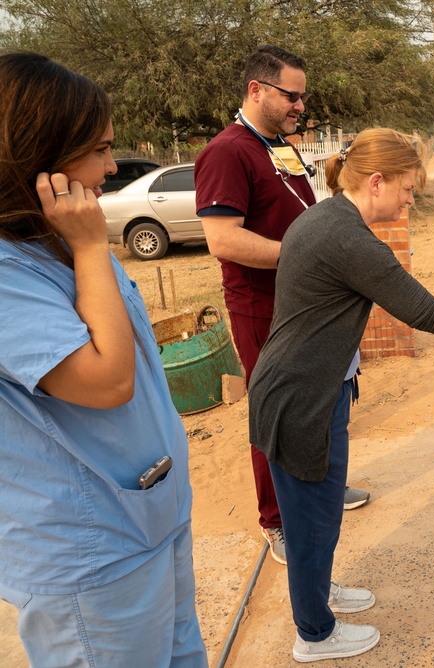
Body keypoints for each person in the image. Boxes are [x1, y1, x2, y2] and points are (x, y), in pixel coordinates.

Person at [247, 128, 434, 662]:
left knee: (319, 515)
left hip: (311, 389)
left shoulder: (326, 217)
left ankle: (318, 593)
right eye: (408, 189)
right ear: (377, 182)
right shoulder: (350, 239)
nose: (411, 200)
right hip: (300, 398)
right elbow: (431, 316)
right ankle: (314, 633)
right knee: (312, 520)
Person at [0, 52, 207, 666]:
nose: (113, 168)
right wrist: (92, 245)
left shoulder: (60, 243)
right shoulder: (20, 269)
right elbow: (108, 380)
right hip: (92, 554)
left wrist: (84, 246)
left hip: (149, 517)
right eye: (97, 150)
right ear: (39, 157)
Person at [194, 45, 368, 567]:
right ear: (257, 90)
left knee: (315, 403)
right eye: (291, 95)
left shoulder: (279, 146)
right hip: (262, 308)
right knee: (274, 412)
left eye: (302, 96)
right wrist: (306, 260)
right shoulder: (227, 151)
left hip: (303, 305)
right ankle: (277, 520)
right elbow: (224, 240)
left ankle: (315, 488)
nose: (300, 105)